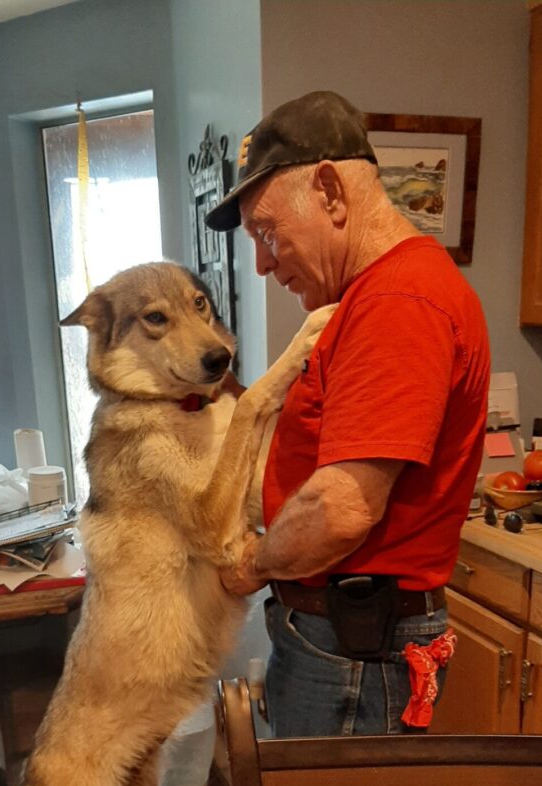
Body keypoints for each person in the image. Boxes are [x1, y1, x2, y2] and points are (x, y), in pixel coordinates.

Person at [205, 90, 490, 738]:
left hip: (353, 654)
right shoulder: (373, 297)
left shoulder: (400, 301)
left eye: (268, 233)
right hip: (338, 640)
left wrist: (248, 567)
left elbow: (338, 510)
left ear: (330, 192)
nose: (262, 262)